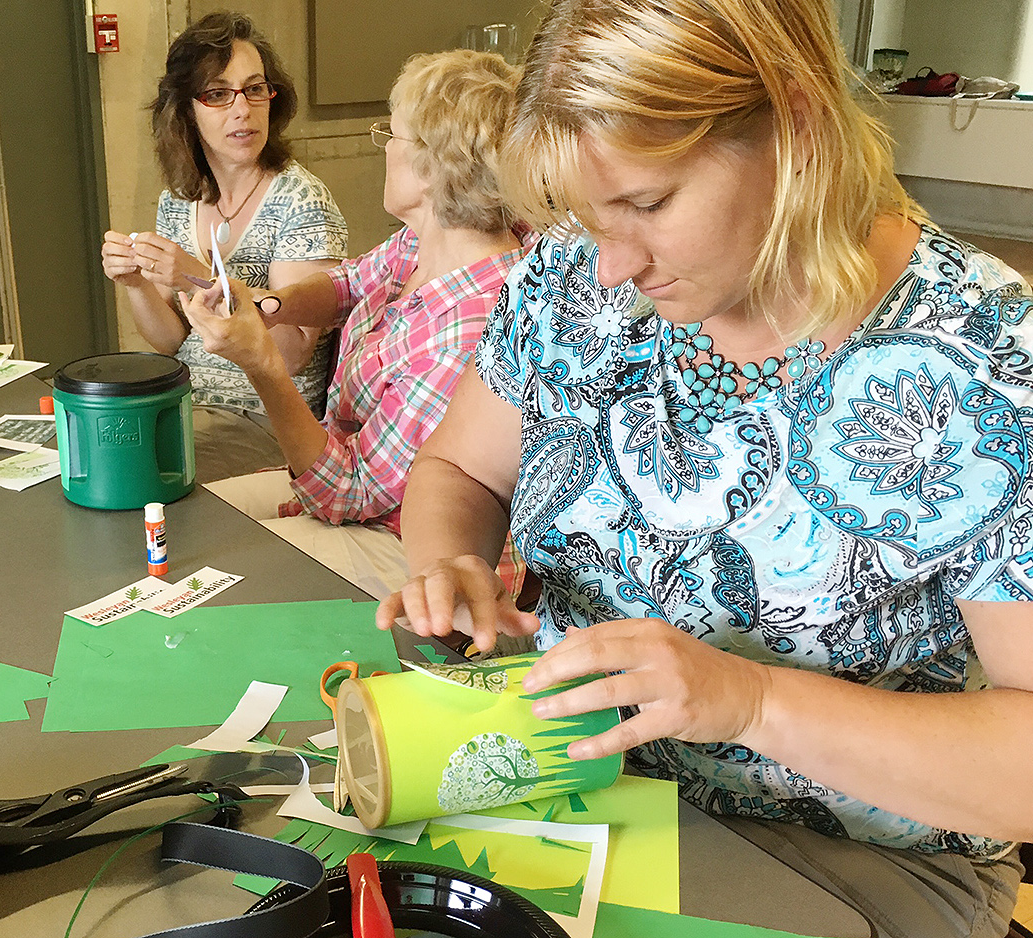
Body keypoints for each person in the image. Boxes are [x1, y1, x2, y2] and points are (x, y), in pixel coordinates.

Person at [380, 2, 1032, 935]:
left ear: (796, 125)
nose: (610, 266)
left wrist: (749, 699)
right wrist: (451, 565)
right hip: (573, 782)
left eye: (648, 204)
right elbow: (461, 469)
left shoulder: (984, 354)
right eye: (582, 216)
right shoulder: (569, 277)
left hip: (851, 854)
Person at [184, 50, 526, 600]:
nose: (383, 147)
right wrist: (267, 304)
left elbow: (349, 491)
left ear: (434, 167)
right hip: (347, 487)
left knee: (219, 579)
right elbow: (348, 284)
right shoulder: (426, 240)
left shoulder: (470, 328)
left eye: (391, 135)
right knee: (196, 523)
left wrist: (261, 365)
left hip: (405, 548)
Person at [100, 11, 347, 476]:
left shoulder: (301, 199)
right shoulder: (180, 197)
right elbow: (173, 342)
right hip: (189, 403)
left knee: (135, 474)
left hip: (266, 418)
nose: (243, 110)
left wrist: (196, 275)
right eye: (218, 94)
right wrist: (135, 282)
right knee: (90, 452)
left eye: (255, 89)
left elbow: (292, 354)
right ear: (186, 111)